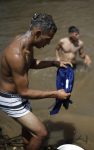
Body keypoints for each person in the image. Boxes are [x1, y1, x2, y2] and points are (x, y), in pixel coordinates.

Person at [0, 13, 71, 150]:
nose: (49, 43)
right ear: (38, 33)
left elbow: (30, 63)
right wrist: (56, 94)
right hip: (9, 99)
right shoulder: (16, 55)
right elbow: (24, 92)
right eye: (48, 39)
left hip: (18, 95)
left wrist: (54, 63)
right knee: (41, 133)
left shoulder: (26, 43)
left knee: (28, 133)